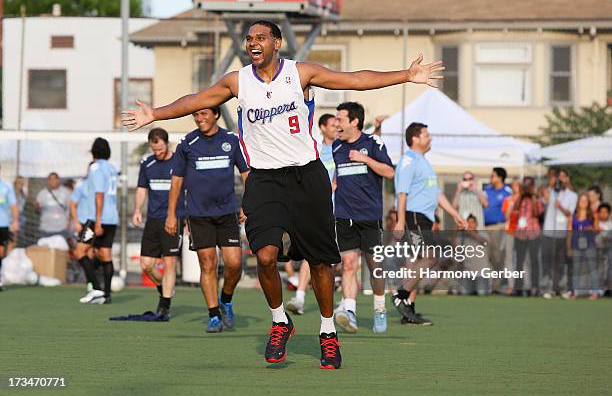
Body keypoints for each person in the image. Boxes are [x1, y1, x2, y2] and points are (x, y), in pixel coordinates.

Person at [122, 19, 444, 369]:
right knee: (264, 256)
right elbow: (197, 100)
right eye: (248, 38)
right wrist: (155, 114)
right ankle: (280, 321)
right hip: (264, 180)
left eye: (260, 37)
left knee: (320, 262)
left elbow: (356, 79)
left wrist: (406, 75)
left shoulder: (300, 73)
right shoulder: (238, 80)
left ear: (277, 42)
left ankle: (327, 331)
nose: (252, 43)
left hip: (307, 177)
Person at [166, 106, 249, 333]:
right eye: (195, 114)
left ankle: (226, 299)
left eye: (203, 114)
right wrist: (172, 214)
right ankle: (214, 315)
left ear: (216, 115)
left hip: (227, 213)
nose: (199, 118)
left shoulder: (232, 141)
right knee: (208, 264)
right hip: (198, 214)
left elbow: (246, 175)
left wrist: (249, 204)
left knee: (234, 263)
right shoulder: (187, 143)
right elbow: (176, 182)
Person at [393, 123, 467, 325]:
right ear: (415, 139)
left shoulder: (424, 162)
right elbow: (402, 193)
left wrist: (455, 215)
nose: (430, 138)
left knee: (419, 263)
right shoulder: (408, 160)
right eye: (426, 134)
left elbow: (437, 194)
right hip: (413, 217)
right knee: (429, 258)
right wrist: (400, 221)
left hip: (424, 219)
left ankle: (409, 310)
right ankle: (401, 295)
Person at [331, 102, 394, 334]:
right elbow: (339, 173)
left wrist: (365, 159)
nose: (336, 123)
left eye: (340, 119)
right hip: (344, 216)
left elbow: (389, 171)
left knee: (374, 267)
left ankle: (379, 308)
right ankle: (350, 312)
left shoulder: (372, 143)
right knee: (348, 265)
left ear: (354, 122)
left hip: (369, 217)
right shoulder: (337, 146)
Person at [286, 113, 337, 316]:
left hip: (342, 211)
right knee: (312, 255)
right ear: (322, 128)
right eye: (333, 124)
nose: (337, 127)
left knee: (344, 260)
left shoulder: (343, 148)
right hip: (320, 209)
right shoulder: (316, 149)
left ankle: (347, 304)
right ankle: (299, 297)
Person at [133, 128, 185, 317]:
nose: (158, 153)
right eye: (154, 150)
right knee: (146, 265)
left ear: (167, 144)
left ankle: (164, 304)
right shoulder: (147, 163)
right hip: (153, 219)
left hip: (173, 218)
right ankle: (166, 289)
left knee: (170, 262)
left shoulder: (178, 164)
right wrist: (137, 209)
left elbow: (186, 191)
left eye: (161, 149)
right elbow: (141, 189)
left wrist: (187, 218)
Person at [75, 138, 119, 305]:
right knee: (105, 254)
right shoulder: (112, 168)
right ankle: (106, 295)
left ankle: (96, 288)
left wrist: (98, 221)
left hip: (98, 218)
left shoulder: (96, 167)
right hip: (112, 218)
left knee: (79, 251)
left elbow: (99, 194)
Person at [541, 168, 577, 298]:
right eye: (558, 177)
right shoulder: (551, 192)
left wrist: (560, 206)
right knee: (547, 261)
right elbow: (543, 201)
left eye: (562, 177)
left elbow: (570, 213)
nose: (559, 179)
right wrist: (551, 186)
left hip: (562, 232)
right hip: (548, 231)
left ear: (567, 178)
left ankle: (560, 288)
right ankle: (547, 288)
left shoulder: (572, 195)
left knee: (560, 262)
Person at [510, 177, 543, 296]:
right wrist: (521, 195)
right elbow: (514, 211)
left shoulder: (536, 198)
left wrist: (533, 196)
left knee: (534, 262)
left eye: (528, 185)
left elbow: (537, 213)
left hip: (533, 233)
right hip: (520, 234)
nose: (527, 188)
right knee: (519, 262)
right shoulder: (520, 198)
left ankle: (535, 287)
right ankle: (518, 287)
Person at [483, 167, 512, 293]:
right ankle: (489, 285)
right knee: (487, 256)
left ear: (500, 177)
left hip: (498, 227)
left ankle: (497, 285)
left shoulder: (507, 191)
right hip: (485, 227)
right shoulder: (487, 190)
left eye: (493, 175)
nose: (491, 178)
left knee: (497, 256)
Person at [567, 193, 599, 300]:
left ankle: (594, 292)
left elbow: (597, 229)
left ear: (588, 203)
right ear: (578, 202)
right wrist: (569, 247)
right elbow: (569, 232)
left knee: (592, 268)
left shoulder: (593, 215)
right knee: (576, 269)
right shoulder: (573, 216)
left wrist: (591, 229)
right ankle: (575, 292)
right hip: (576, 245)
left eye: (585, 200)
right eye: (582, 200)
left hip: (590, 245)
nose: (583, 202)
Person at [500, 178, 522, 294]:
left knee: (522, 260)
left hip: (522, 233)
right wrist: (512, 205)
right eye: (513, 185)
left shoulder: (524, 200)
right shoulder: (508, 200)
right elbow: (506, 217)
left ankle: (523, 284)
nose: (515, 187)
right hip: (510, 232)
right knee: (509, 260)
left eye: (517, 185)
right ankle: (511, 285)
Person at [460, 215, 490, 296]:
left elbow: (485, 242)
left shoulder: (483, 234)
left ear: (476, 224)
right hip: (468, 273)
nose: (470, 225)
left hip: (481, 273)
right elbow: (456, 248)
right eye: (468, 223)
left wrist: (471, 234)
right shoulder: (463, 236)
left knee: (482, 293)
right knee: (464, 293)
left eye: (472, 222)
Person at [35, 172, 71, 239]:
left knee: (61, 248)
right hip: (45, 229)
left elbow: (70, 208)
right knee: (45, 249)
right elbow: (37, 210)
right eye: (50, 179)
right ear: (48, 181)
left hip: (61, 228)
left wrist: (68, 223)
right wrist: (37, 207)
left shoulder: (66, 192)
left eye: (54, 179)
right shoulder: (42, 193)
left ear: (58, 180)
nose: (52, 181)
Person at [0, 165, 19, 291]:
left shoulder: (6, 187)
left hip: (2, 224)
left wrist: (15, 220)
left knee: (1, 251)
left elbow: (13, 206)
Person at [595, 203, 612, 296]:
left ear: (609, 213)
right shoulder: (596, 222)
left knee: (609, 270)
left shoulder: (610, 224)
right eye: (601, 212)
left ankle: (608, 289)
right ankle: (598, 290)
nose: (603, 214)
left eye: (606, 212)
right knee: (599, 270)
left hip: (609, 249)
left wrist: (606, 236)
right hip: (598, 250)